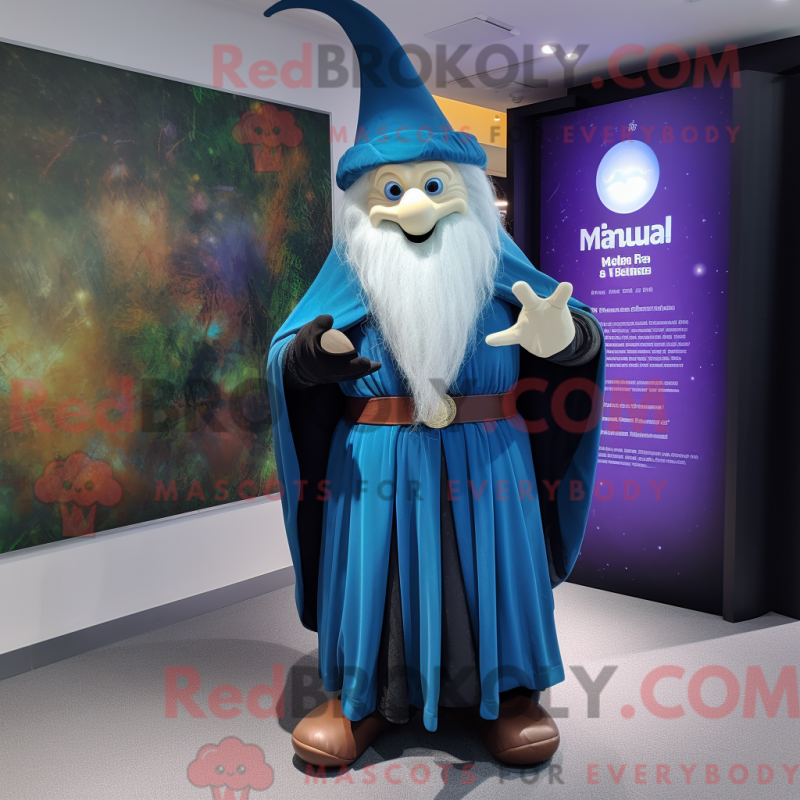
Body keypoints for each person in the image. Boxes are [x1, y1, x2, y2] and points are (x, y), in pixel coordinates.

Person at [265, 0, 605, 768]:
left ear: (467, 190)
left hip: (491, 457)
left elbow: (579, 330)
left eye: (432, 184)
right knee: (374, 575)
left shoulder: (499, 267)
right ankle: (358, 697)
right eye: (391, 190)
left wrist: (563, 338)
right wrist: (311, 358)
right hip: (377, 461)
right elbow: (286, 354)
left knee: (491, 571)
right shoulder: (347, 277)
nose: (413, 204)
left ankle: (509, 694)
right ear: (363, 203)